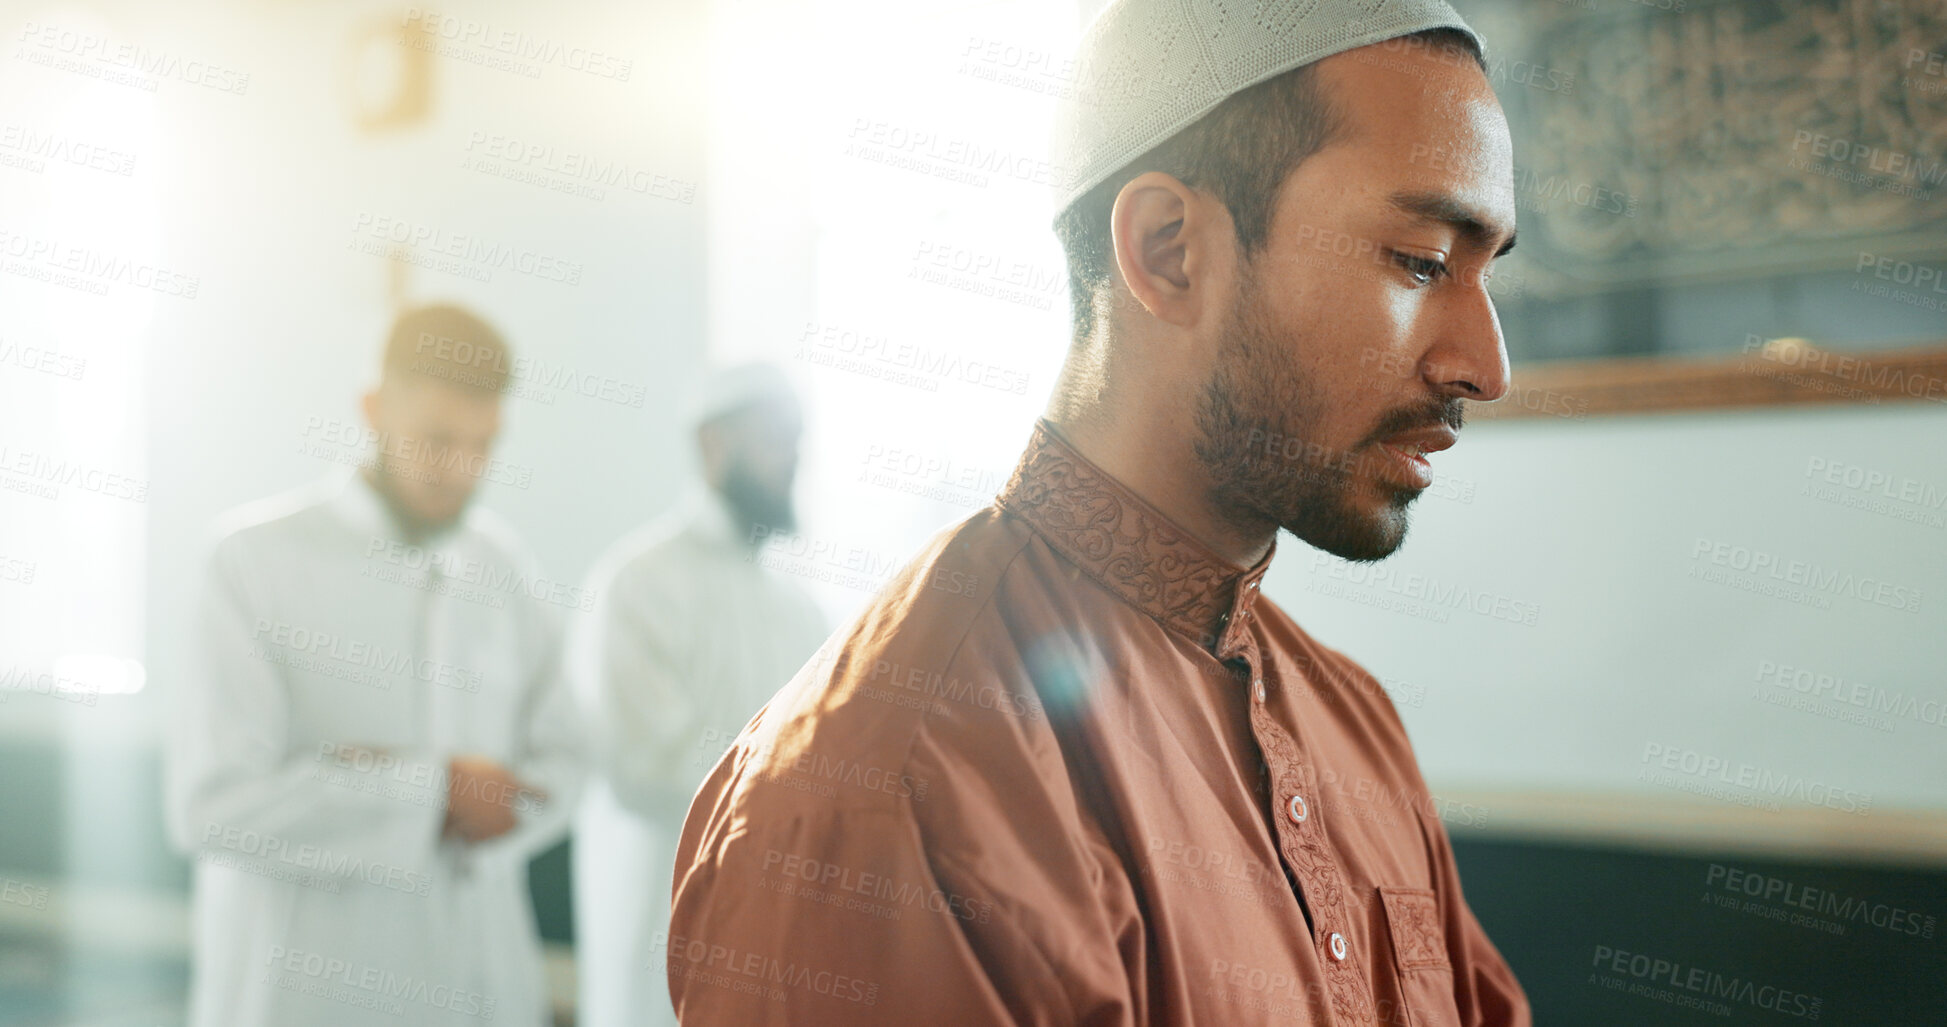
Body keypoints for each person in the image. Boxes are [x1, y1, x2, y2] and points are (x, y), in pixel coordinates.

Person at [667, 0, 1530, 1023]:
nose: (1486, 366)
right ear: (1168, 250)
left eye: (1484, 273)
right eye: (1421, 260)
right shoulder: (897, 784)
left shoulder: (1355, 726)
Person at [164, 305, 582, 1027]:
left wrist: (487, 802)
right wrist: (431, 792)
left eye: (484, 444)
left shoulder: (499, 567)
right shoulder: (253, 562)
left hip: (476, 976)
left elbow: (565, 758)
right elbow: (212, 806)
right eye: (436, 439)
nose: (462, 470)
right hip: (302, 989)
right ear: (373, 408)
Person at [572, 363, 830, 1027]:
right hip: (658, 917)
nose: (793, 457)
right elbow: (644, 766)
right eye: (776, 438)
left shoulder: (801, 610)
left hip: (774, 930)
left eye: (799, 439)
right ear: (712, 444)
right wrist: (796, 798)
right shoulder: (638, 582)